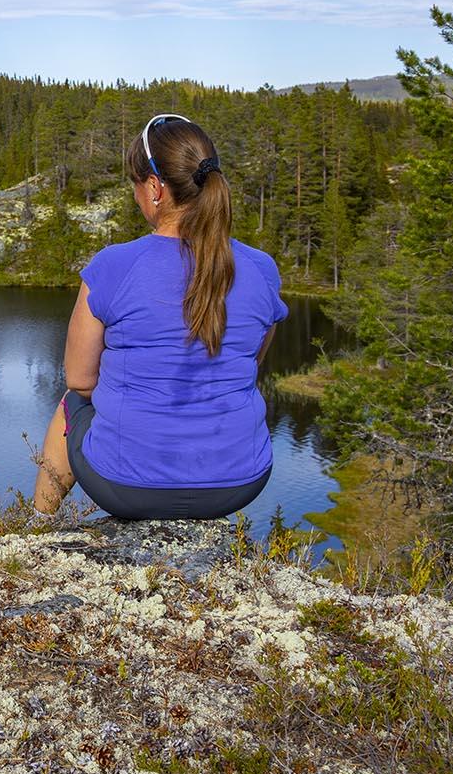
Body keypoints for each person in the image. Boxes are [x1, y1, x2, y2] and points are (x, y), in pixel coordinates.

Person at [32, 114, 288, 520]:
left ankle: (37, 528)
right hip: (239, 483)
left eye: (135, 184)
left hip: (127, 486)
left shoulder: (113, 266)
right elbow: (251, 363)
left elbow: (81, 381)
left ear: (154, 188)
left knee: (70, 404)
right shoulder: (261, 269)